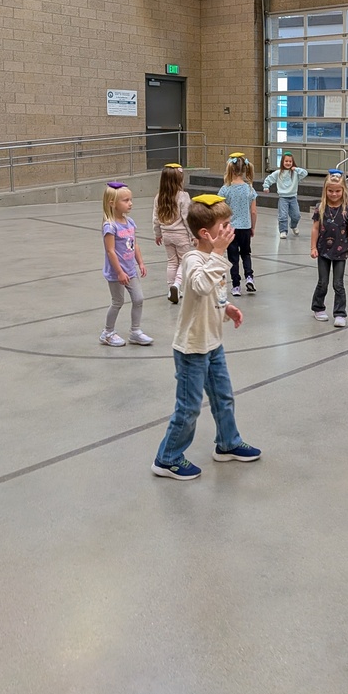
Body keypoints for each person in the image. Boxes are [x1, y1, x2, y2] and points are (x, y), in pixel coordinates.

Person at [152, 194, 261, 480]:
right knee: (188, 408)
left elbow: (212, 295)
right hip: (192, 349)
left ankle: (228, 443)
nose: (229, 229)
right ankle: (167, 458)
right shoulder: (192, 259)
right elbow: (200, 286)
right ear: (205, 233)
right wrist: (218, 254)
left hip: (213, 344)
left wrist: (227, 309)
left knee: (223, 397)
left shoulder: (213, 257)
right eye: (224, 225)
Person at [99, 181, 152, 347]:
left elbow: (134, 244)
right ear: (112, 203)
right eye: (125, 200)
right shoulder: (110, 226)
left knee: (138, 299)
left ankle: (135, 331)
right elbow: (110, 251)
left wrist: (140, 262)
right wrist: (120, 272)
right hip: (117, 273)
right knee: (118, 301)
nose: (130, 203)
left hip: (131, 270)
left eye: (130, 199)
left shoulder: (130, 223)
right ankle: (107, 333)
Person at [311, 170, 348, 327]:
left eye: (337, 190)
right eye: (330, 190)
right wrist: (313, 247)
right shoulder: (320, 208)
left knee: (338, 283)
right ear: (325, 190)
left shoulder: (347, 210)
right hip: (323, 251)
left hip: (341, 252)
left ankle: (340, 313)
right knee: (322, 282)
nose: (334, 194)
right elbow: (315, 229)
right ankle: (318, 307)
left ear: (343, 190)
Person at [218, 152, 257, 296]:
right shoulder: (250, 189)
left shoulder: (225, 189)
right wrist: (252, 227)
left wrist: (221, 226)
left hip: (231, 229)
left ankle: (235, 286)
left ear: (230, 169)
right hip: (245, 227)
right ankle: (249, 277)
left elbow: (219, 210)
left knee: (233, 257)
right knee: (246, 254)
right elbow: (253, 211)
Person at [152, 163, 192, 304]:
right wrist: (193, 236)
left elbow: (156, 218)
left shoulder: (159, 197)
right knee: (184, 261)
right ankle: (177, 284)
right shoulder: (183, 196)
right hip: (181, 236)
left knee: (171, 262)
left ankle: (171, 289)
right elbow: (187, 218)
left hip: (166, 235)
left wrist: (158, 234)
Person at [262, 151, 308, 238]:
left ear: (292, 162)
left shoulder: (295, 173)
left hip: (293, 197)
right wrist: (266, 186)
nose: (288, 163)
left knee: (296, 215)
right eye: (286, 161)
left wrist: (297, 169)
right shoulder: (278, 173)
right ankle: (283, 231)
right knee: (283, 215)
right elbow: (269, 179)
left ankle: (293, 226)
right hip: (283, 198)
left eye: (290, 161)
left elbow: (305, 173)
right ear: (282, 162)